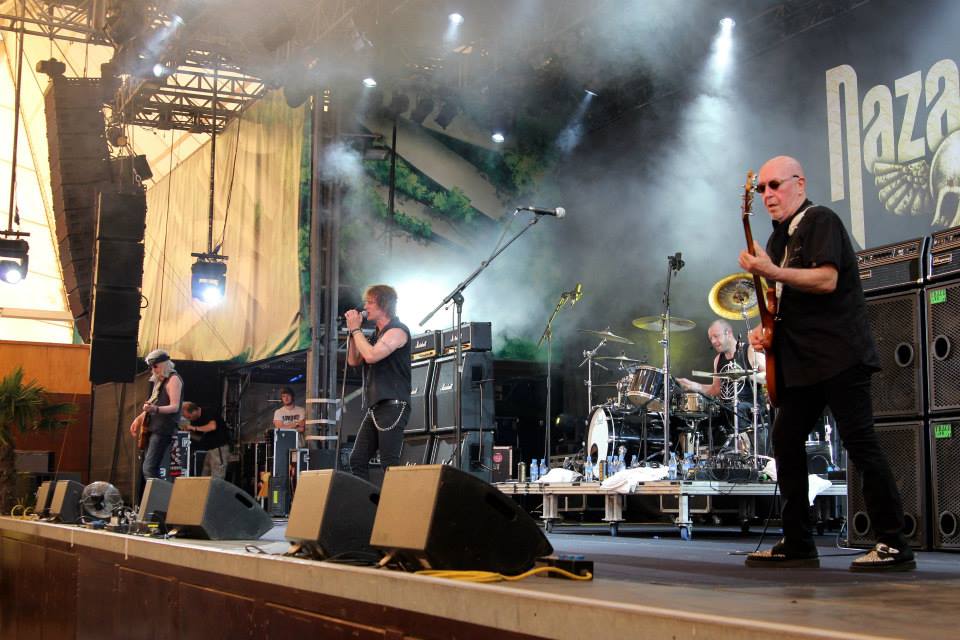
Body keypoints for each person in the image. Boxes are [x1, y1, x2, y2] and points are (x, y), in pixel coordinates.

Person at [737, 155, 914, 572]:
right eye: (762, 188)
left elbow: (826, 279)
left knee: (859, 441)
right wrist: (765, 331)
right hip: (802, 362)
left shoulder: (820, 220)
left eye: (775, 185)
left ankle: (893, 543)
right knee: (785, 439)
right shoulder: (778, 241)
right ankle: (799, 541)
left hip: (839, 354)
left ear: (799, 183)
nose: (767, 195)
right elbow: (784, 304)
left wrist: (770, 271)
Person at [345, 284, 411, 482]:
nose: (365, 307)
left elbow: (372, 355)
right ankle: (366, 501)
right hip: (376, 407)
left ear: (384, 305)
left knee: (389, 463)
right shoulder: (376, 335)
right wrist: (352, 334)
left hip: (393, 405)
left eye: (370, 302)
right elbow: (354, 360)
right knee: (357, 459)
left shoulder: (397, 331)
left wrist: (356, 329)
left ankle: (397, 501)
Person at [677, 319, 766, 451]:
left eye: (716, 336)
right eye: (711, 338)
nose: (713, 341)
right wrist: (694, 386)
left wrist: (745, 375)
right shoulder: (718, 360)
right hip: (726, 408)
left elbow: (768, 376)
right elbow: (716, 389)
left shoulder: (749, 351)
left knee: (737, 409)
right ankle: (697, 457)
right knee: (695, 416)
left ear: (728, 333)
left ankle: (747, 454)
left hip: (750, 407)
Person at [129, 349, 183, 481]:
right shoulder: (160, 381)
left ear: (164, 364)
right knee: (148, 467)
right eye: (151, 367)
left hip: (163, 428)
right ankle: (156, 492)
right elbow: (152, 403)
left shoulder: (174, 379)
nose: (153, 370)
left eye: (155, 366)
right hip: (154, 427)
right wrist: (139, 419)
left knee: (149, 468)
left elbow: (175, 406)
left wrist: (155, 409)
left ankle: (157, 493)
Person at [181, 401, 230, 479]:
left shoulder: (208, 412)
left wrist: (193, 428)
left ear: (194, 411)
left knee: (217, 476)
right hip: (209, 449)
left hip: (219, 447)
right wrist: (189, 433)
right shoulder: (195, 421)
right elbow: (199, 438)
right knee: (205, 476)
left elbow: (212, 427)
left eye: (189, 417)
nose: (189, 419)